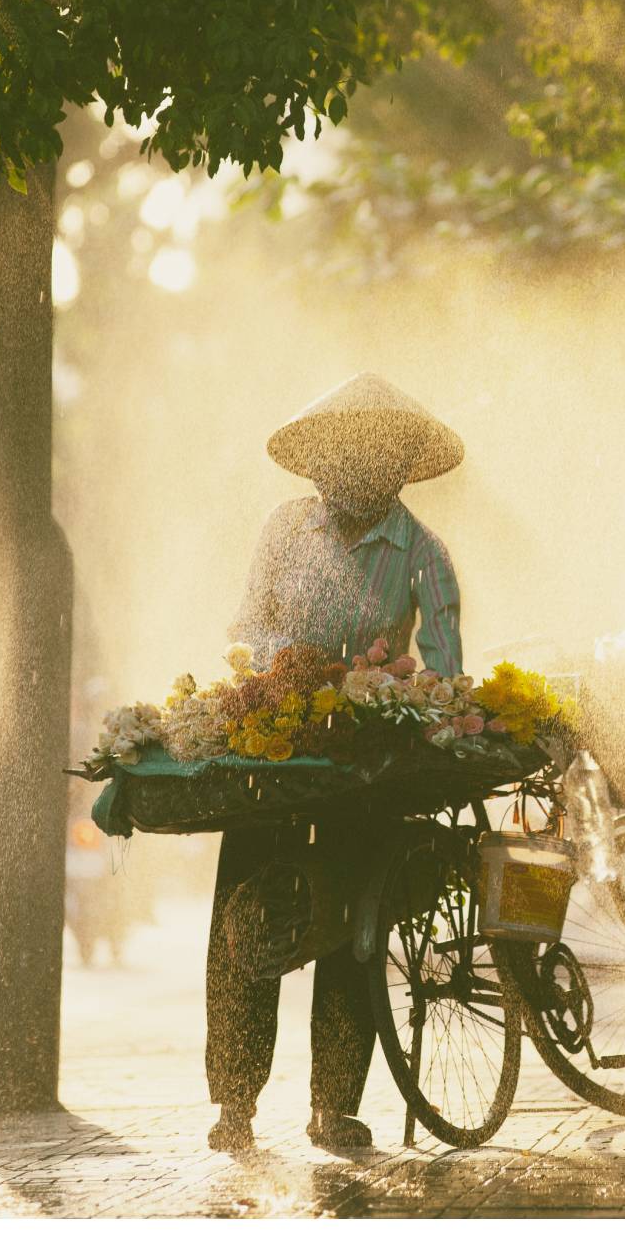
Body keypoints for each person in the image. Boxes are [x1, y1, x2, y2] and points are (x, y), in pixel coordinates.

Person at [205, 373, 465, 1154]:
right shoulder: (286, 531)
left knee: (355, 924)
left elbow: (446, 673)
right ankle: (234, 1104)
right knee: (245, 914)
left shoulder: (423, 554)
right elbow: (249, 625)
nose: (348, 474)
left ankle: (333, 1106)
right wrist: (294, 665)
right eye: (338, 459)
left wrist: (395, 691)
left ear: (393, 468)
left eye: (366, 459)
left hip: (366, 763)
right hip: (275, 748)